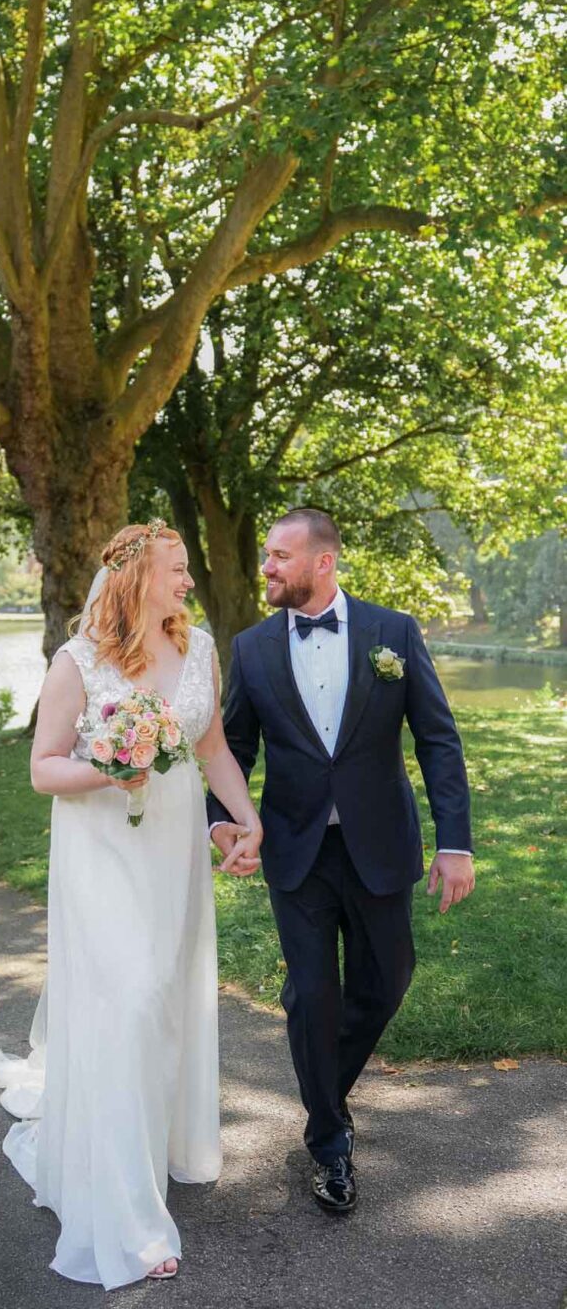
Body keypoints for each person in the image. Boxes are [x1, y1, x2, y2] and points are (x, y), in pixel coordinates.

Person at [0, 520, 262, 1288]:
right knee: (129, 1000)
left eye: (188, 568)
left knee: (164, 1001)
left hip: (173, 847)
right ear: (134, 577)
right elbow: (44, 769)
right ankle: (125, 1214)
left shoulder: (200, 649)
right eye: (178, 568)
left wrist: (245, 819)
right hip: (102, 855)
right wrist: (111, 767)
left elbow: (213, 745)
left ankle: (159, 1147)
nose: (189, 580)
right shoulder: (78, 660)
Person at [208, 507, 474, 1214]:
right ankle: (328, 1138)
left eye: (279, 556)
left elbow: (438, 741)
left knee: (386, 981)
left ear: (323, 562)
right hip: (295, 849)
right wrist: (223, 821)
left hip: (380, 843)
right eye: (265, 555)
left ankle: (322, 1073)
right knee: (315, 991)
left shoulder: (394, 633)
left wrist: (455, 843)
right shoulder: (254, 647)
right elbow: (232, 745)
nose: (266, 567)